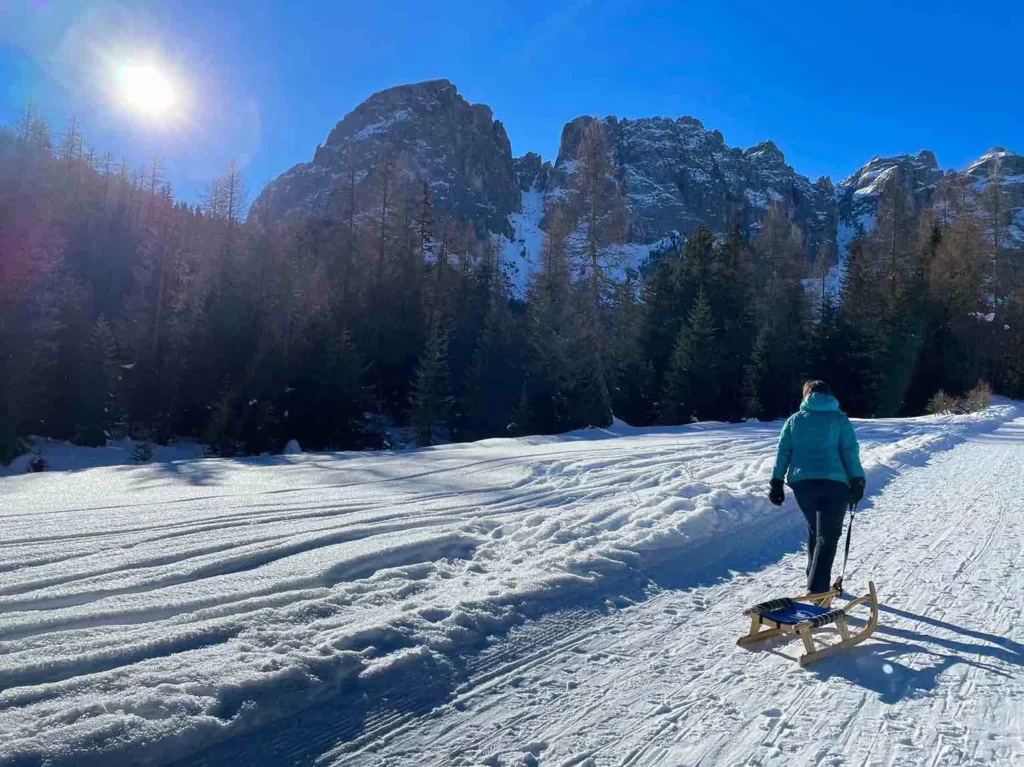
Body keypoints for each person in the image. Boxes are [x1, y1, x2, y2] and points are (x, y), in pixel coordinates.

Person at [768, 380, 866, 594]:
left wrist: (776, 481)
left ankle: (813, 581)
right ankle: (817, 592)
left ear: (806, 396)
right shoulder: (838, 419)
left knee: (817, 531)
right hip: (834, 483)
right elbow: (849, 450)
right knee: (828, 536)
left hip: (802, 485)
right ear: (829, 395)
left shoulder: (795, 420)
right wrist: (857, 479)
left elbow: (783, 451)